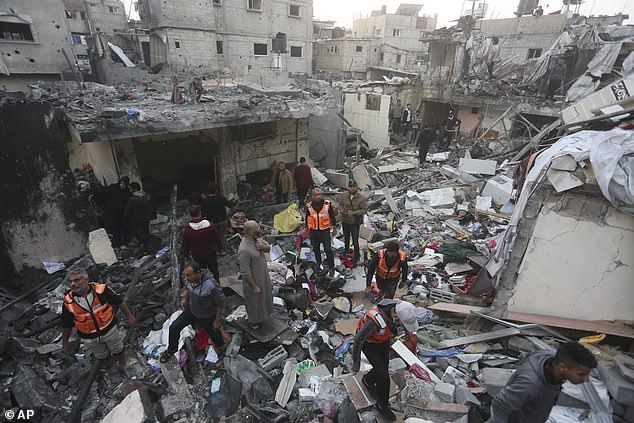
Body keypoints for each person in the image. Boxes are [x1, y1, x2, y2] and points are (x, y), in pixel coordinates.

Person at [489, 342, 597, 423]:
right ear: (562, 367)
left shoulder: (550, 357)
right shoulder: (530, 384)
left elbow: (527, 356)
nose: (586, 379)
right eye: (581, 374)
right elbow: (500, 404)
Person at [351, 300, 419, 422]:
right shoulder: (375, 321)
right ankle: (382, 405)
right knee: (383, 375)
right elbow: (358, 340)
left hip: (382, 341)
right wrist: (356, 362)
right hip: (369, 343)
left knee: (383, 367)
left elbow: (405, 327)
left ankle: (368, 380)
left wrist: (409, 338)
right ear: (395, 316)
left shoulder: (399, 308)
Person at [61, 266, 136, 370]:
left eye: (77, 280)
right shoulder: (68, 301)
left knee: (118, 349)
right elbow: (66, 323)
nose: (73, 284)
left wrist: (130, 317)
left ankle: (123, 364)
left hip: (109, 330)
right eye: (70, 282)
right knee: (102, 356)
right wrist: (65, 343)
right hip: (89, 337)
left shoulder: (101, 290)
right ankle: (113, 366)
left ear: (86, 280)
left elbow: (119, 301)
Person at [160, 261, 225, 363]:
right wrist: (186, 298)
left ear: (198, 273)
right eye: (186, 275)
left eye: (189, 275)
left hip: (206, 314)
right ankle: (171, 350)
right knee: (174, 327)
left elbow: (221, 302)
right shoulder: (189, 281)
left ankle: (221, 350)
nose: (187, 278)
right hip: (192, 310)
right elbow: (189, 290)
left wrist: (217, 320)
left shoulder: (211, 285)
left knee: (214, 333)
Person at [238, 220, 274, 330]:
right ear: (250, 232)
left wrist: (263, 247)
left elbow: (268, 249)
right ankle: (253, 322)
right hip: (253, 280)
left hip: (263, 276)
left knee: (264, 299)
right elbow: (245, 272)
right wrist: (254, 286)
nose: (259, 231)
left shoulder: (257, 240)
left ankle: (264, 318)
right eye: (256, 230)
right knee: (254, 302)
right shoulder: (244, 249)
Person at [181, 205, 223, 282]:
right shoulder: (209, 224)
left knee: (201, 273)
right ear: (200, 212)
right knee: (214, 271)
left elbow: (186, 244)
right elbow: (217, 238)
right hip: (210, 252)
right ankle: (217, 287)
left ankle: (204, 288)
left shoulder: (188, 229)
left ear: (190, 215)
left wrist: (185, 255)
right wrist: (220, 248)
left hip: (197, 254)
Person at [305, 187, 337, 276]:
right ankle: (318, 264)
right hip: (314, 232)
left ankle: (331, 267)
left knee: (328, 250)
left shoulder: (327, 204)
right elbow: (307, 218)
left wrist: (334, 228)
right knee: (316, 249)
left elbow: (332, 216)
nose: (318, 196)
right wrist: (307, 229)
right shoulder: (309, 206)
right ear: (313, 196)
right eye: (316, 195)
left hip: (325, 231)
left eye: (320, 194)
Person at [338, 179, 367, 266]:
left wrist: (354, 213)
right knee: (346, 237)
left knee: (355, 239)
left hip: (355, 222)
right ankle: (346, 251)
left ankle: (357, 255)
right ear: (348, 187)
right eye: (350, 187)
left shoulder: (361, 198)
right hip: (345, 220)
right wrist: (342, 211)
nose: (352, 189)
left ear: (356, 187)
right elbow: (340, 204)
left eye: (354, 187)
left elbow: (364, 210)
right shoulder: (343, 195)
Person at [201, 181, 235, 255]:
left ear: (208, 191)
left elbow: (202, 214)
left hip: (212, 222)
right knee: (223, 236)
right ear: (216, 190)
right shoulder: (221, 198)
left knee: (213, 237)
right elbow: (230, 205)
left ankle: (216, 251)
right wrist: (233, 200)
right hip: (223, 220)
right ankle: (223, 251)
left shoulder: (205, 201)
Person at [124, 182, 156, 254]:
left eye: (130, 189)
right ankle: (146, 246)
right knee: (145, 231)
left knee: (141, 233)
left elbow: (128, 210)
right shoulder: (148, 196)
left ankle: (146, 249)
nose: (129, 190)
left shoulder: (132, 199)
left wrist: (126, 217)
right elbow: (153, 207)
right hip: (146, 218)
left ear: (134, 189)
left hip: (137, 219)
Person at [98, 176, 130, 247]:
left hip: (122, 213)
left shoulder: (126, 191)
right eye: (121, 183)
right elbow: (102, 193)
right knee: (115, 229)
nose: (122, 185)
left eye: (124, 184)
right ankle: (118, 243)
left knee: (124, 228)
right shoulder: (112, 188)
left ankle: (125, 242)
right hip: (112, 212)